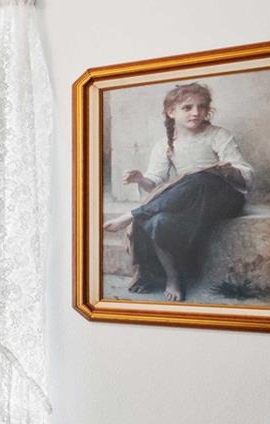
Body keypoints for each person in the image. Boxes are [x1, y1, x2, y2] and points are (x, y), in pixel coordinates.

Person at [103, 82, 252, 301]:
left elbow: (244, 174)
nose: (196, 112)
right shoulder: (165, 144)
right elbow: (156, 183)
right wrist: (141, 179)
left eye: (201, 107)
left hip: (221, 197)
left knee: (201, 177)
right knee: (158, 222)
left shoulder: (218, 135)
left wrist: (227, 170)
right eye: (187, 107)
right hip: (188, 201)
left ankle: (134, 214)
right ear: (171, 112)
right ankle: (173, 276)